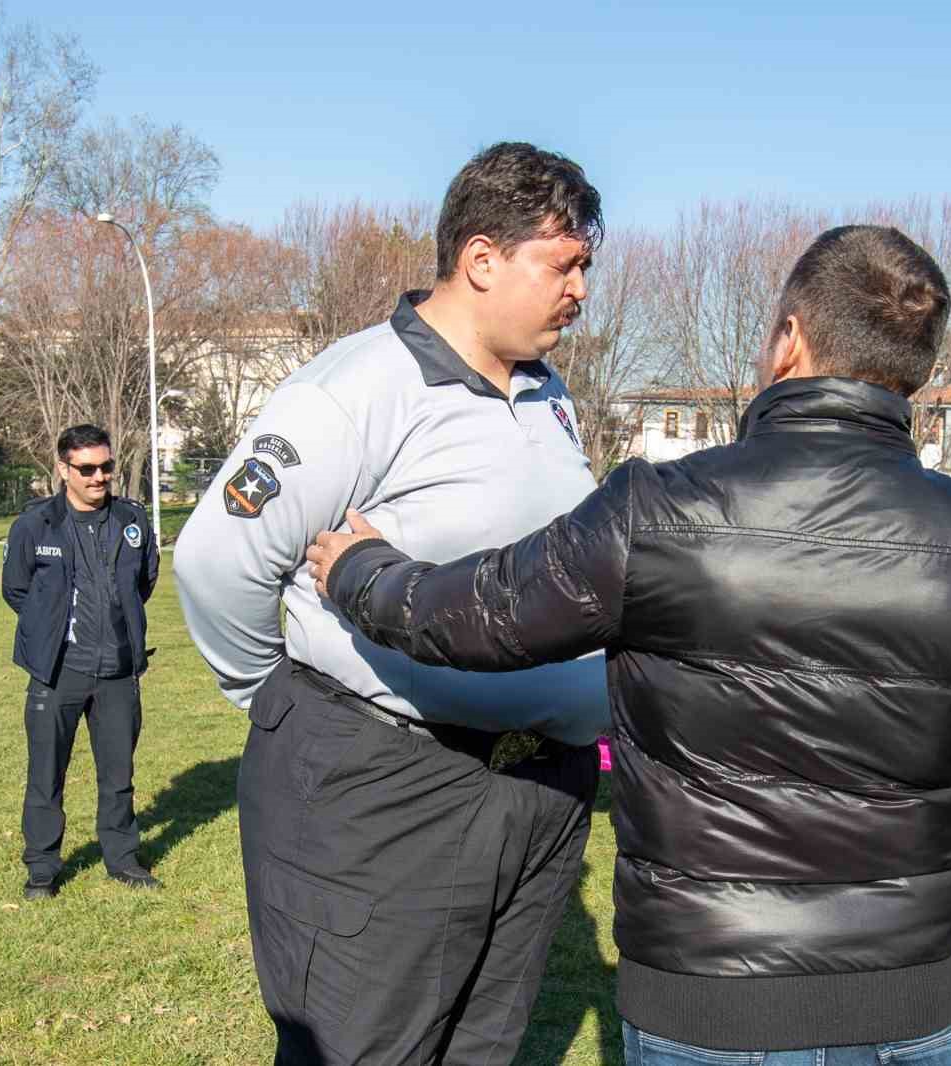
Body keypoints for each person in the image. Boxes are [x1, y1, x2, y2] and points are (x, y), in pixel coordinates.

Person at [309, 225, 951, 1066]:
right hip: (886, 1006)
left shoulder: (658, 513)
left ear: (788, 340)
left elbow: (481, 612)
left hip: (718, 1005)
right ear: (916, 374)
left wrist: (358, 570)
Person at [173, 142, 611, 1066]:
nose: (581, 290)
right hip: (388, 795)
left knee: (479, 1050)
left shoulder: (548, 394)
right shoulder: (359, 386)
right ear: (482, 260)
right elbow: (219, 557)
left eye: (585, 268)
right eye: (564, 265)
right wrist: (285, 702)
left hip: (535, 793)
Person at [0, 424, 160, 899]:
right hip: (57, 673)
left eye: (106, 467)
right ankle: (43, 869)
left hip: (118, 671)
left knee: (119, 775)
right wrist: (54, 632)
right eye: (87, 469)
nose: (99, 477)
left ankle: (123, 859)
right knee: (46, 774)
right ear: (63, 470)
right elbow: (16, 590)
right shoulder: (34, 524)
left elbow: (144, 582)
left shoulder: (132, 520)